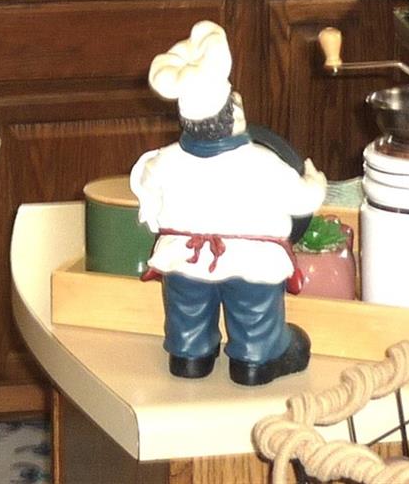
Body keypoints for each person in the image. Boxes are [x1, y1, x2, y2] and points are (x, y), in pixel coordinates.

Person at [129, 21, 327, 386]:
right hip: (250, 262)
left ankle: (189, 355)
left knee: (187, 308)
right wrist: (315, 182)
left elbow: (147, 194)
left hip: (184, 259)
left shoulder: (163, 161)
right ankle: (256, 359)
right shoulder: (264, 163)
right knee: (254, 312)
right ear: (234, 117)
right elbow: (303, 200)